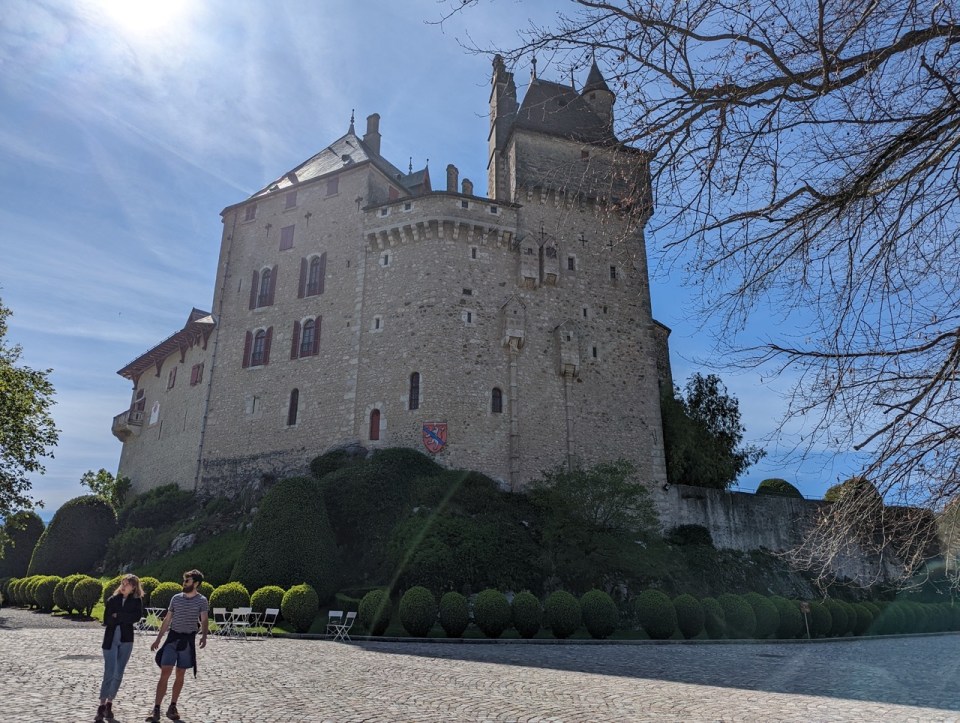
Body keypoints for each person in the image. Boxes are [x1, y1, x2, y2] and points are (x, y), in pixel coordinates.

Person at [147, 569, 209, 722]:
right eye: (184, 580)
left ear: (196, 583)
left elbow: (205, 619)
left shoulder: (202, 600)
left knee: (180, 673)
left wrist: (204, 636)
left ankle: (172, 706)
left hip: (187, 641)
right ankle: (156, 708)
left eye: (187, 581)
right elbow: (167, 620)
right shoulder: (175, 598)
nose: (184, 583)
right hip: (172, 639)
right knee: (165, 672)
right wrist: (158, 639)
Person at [97, 574, 144, 722]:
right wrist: (123, 617)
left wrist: (119, 616)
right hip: (110, 639)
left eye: (127, 584)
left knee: (119, 672)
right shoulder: (112, 600)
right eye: (122, 583)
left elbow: (136, 617)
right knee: (109, 671)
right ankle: (101, 705)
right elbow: (107, 619)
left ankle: (110, 703)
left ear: (133, 587)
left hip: (126, 640)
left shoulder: (137, 601)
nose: (123, 586)